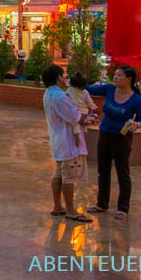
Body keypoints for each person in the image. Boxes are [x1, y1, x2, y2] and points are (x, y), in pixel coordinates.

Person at [86, 66, 141, 219]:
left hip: (122, 138)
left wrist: (136, 124)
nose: (116, 78)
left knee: (122, 172)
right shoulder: (109, 89)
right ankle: (102, 203)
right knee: (103, 171)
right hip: (104, 134)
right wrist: (76, 83)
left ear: (129, 79)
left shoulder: (136, 100)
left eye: (119, 75)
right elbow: (88, 89)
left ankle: (122, 208)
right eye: (115, 75)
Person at [42, 65, 92, 223]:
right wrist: (89, 118)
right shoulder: (60, 97)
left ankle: (58, 206)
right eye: (63, 76)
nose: (65, 79)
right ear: (58, 77)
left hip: (58, 139)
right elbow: (75, 117)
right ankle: (70, 209)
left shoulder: (49, 94)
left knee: (59, 172)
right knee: (69, 176)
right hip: (67, 140)